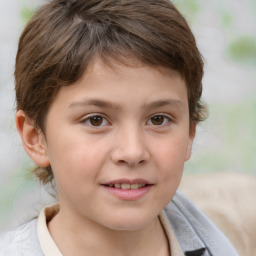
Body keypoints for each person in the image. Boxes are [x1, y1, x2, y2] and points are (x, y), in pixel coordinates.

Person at [0, 0, 239, 255]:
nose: (133, 152)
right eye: (96, 120)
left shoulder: (217, 238)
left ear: (190, 132)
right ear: (35, 137)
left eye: (158, 119)